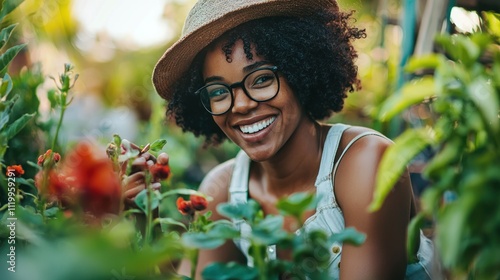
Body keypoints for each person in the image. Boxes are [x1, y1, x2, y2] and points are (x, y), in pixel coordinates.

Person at [127, 0, 434, 278]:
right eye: (219, 91)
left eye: (261, 79)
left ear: (301, 70)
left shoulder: (365, 162)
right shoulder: (222, 192)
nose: (241, 105)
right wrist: (144, 218)